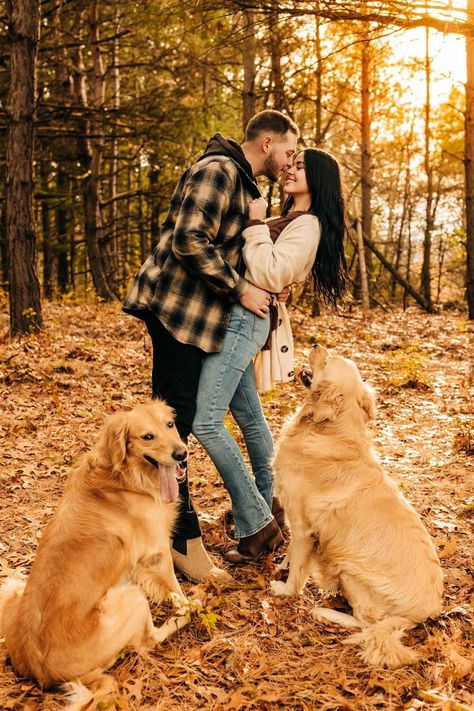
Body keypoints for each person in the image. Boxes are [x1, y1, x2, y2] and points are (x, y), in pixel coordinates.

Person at [123, 110, 299, 582]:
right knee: (174, 424)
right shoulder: (217, 170)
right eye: (286, 151)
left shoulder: (245, 185)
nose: (288, 162)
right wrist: (241, 289)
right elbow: (188, 239)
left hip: (202, 321)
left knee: (185, 422)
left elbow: (230, 250)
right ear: (266, 142)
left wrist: (265, 282)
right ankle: (180, 537)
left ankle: (194, 525)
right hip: (177, 313)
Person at [192, 147, 347, 563]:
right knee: (248, 415)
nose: (290, 171)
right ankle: (270, 505)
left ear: (319, 177)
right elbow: (267, 269)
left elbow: (271, 272)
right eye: (290, 165)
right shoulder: (294, 219)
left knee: (205, 421)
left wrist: (257, 223)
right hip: (239, 315)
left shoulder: (309, 224)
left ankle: (256, 525)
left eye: (300, 167)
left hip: (247, 321)